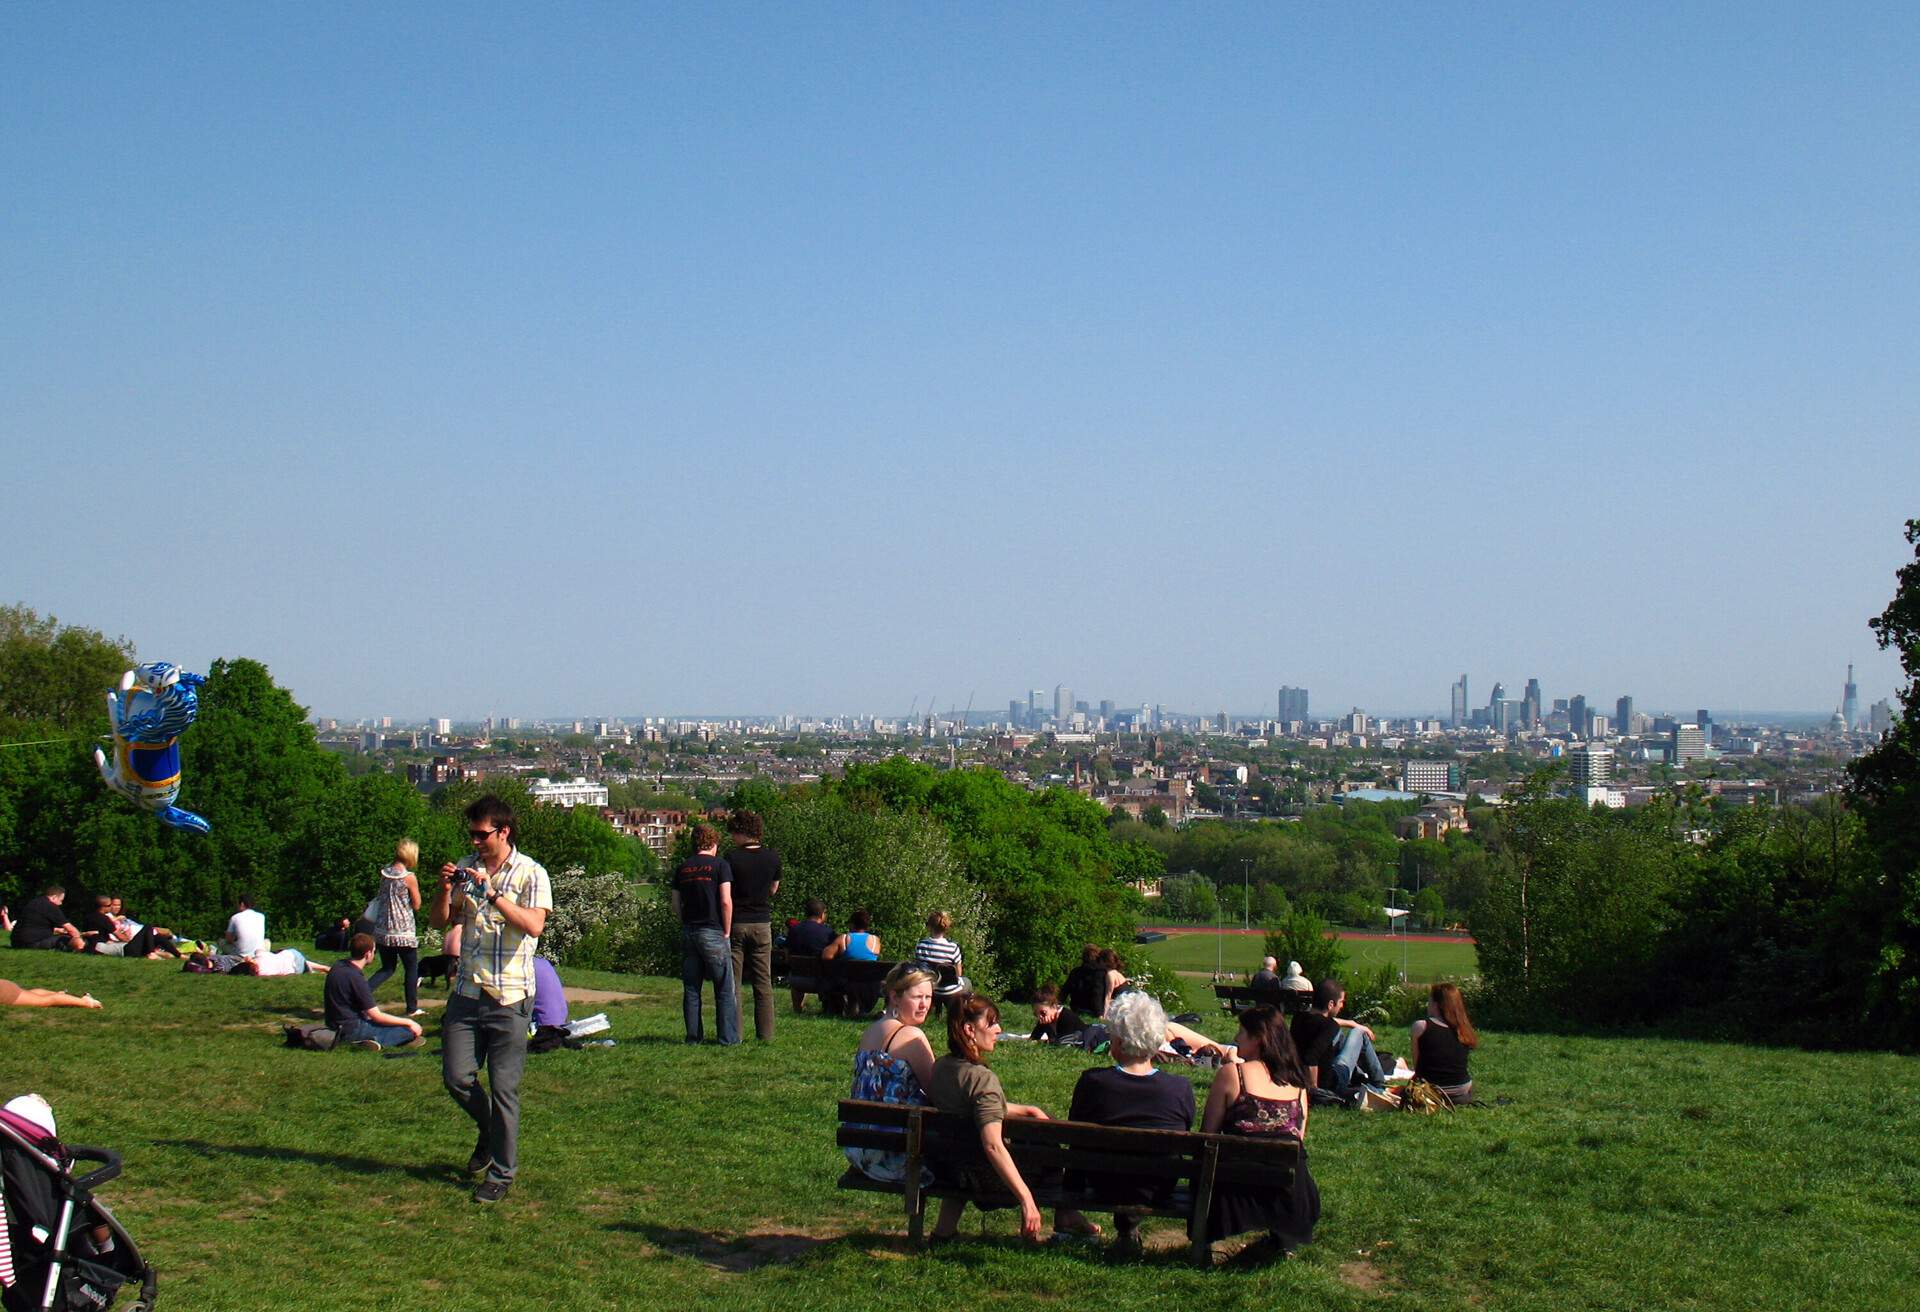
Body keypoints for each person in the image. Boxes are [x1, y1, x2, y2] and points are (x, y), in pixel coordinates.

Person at [432, 794, 553, 1204]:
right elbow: (440, 921)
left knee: (504, 1089)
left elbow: (534, 926)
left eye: (482, 834)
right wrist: (445, 890)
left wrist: (494, 895)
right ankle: (489, 1133)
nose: (475, 841)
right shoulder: (467, 867)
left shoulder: (531, 873)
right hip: (467, 991)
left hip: (509, 995)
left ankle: (502, 1173)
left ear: (504, 831)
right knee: (457, 1077)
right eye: (471, 835)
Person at [925, 993, 1100, 1243]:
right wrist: (1026, 1200)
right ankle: (1064, 1217)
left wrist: (1026, 1110)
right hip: (983, 1177)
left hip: (951, 1168)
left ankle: (943, 1232)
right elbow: (993, 1145)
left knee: (1030, 1134)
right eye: (992, 1022)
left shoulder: (942, 1067)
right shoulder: (982, 1079)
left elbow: (971, 1107)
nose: (998, 1029)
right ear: (969, 1029)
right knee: (1047, 1153)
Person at [1200, 1003, 1320, 1256]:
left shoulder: (1232, 1075)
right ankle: (1280, 1240)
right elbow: (1299, 1137)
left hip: (1233, 1191)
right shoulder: (1297, 1084)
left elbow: (1206, 1135)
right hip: (1288, 1193)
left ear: (1258, 1038)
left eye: (1242, 1032)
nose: (1235, 1038)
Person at [1067, 991, 1196, 1206]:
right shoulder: (1179, 1088)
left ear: (1118, 1039)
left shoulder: (1093, 1082)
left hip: (1105, 1184)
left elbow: (1076, 1138)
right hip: (1158, 1187)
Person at [844, 963, 939, 1183]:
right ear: (895, 997)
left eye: (929, 997)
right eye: (917, 997)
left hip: (862, 1149)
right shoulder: (911, 1037)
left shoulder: (870, 1031)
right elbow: (938, 1093)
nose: (925, 1004)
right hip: (897, 1155)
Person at [672, 823, 739, 1045]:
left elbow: (675, 903)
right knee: (724, 988)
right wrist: (727, 930)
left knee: (692, 988)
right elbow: (725, 901)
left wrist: (685, 923)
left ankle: (693, 1037)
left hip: (690, 929)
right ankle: (727, 1038)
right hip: (713, 930)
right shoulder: (720, 866)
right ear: (713, 843)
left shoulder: (683, 868)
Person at [725, 811, 781, 1042]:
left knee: (734, 983)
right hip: (761, 922)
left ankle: (735, 1033)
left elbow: (725, 891)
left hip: (737, 922)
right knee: (763, 982)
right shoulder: (772, 857)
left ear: (740, 832)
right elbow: (773, 889)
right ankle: (765, 1034)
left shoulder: (731, 858)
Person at [324, 932, 424, 1050]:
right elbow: (376, 1016)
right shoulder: (356, 978)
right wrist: (408, 1022)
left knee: (389, 1025)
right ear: (368, 954)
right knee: (408, 1031)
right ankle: (370, 1041)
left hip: (333, 1024)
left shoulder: (338, 966)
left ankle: (363, 1040)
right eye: (374, 951)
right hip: (352, 1027)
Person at [367, 839, 424, 1017]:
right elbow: (417, 905)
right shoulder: (409, 877)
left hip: (383, 929)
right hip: (403, 930)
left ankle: (362, 994)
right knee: (411, 968)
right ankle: (412, 1008)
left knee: (387, 968)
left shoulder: (384, 873)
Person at [1408, 981, 1477, 1105]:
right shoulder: (1463, 1029)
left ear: (1436, 1004)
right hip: (1462, 1088)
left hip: (1432, 1089)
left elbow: (1418, 1067)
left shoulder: (1421, 1027)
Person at [825, 909, 882, 1017]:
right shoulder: (875, 940)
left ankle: (848, 1009)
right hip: (869, 982)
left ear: (852, 924)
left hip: (847, 981)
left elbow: (826, 956)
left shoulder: (844, 939)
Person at [784, 899, 836, 1013]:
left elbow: (787, 956)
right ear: (822, 914)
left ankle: (797, 1009)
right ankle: (827, 1009)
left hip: (796, 979)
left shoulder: (794, 930)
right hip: (821, 981)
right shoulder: (828, 932)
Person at [912, 910, 967, 1004]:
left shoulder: (921, 945)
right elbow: (958, 973)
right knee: (967, 982)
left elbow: (918, 968)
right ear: (946, 927)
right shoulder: (953, 948)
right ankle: (961, 1011)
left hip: (929, 986)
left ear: (929, 926)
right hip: (949, 988)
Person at [9, 886, 84, 952]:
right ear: (54, 897)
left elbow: (34, 926)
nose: (61, 903)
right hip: (32, 943)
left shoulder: (33, 902)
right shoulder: (51, 907)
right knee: (68, 939)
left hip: (16, 942)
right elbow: (71, 930)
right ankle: (80, 950)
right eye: (61, 900)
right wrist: (79, 938)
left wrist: (57, 930)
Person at [1064, 945, 1111, 1017]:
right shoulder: (1100, 973)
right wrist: (1099, 1014)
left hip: (1076, 1009)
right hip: (1092, 1011)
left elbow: (1065, 990)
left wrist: (1055, 1004)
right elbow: (1097, 993)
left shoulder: (1075, 971)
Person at [0, 979, 101, 1009]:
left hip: (5, 991)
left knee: (42, 1001)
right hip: (5, 986)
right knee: (31, 995)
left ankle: (85, 1002)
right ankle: (60, 995)